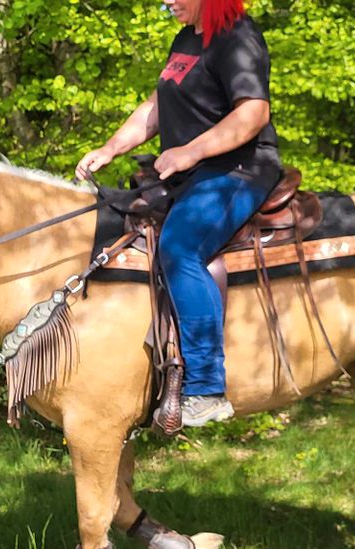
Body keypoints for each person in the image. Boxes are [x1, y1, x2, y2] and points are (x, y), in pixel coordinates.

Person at [76, 0, 282, 427]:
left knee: (180, 248)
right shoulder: (187, 38)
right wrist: (110, 148)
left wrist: (190, 152)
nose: (167, 1)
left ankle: (206, 387)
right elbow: (155, 108)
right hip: (192, 173)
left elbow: (252, 112)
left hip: (239, 170)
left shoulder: (238, 36)